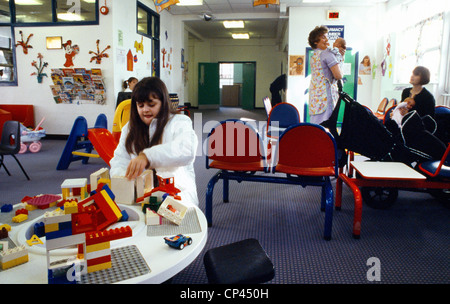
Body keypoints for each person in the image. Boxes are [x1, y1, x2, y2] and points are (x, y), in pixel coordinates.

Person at [110, 77, 199, 207]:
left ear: (163, 103)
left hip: (177, 196)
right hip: (139, 195)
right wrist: (125, 182)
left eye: (151, 105)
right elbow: (119, 161)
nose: (145, 109)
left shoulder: (179, 122)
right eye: (140, 105)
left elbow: (186, 150)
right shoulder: (130, 128)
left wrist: (147, 157)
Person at [308, 26, 344, 125]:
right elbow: (338, 75)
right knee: (327, 128)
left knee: (316, 127)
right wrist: (340, 58)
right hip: (326, 97)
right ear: (315, 41)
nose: (327, 39)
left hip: (315, 97)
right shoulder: (327, 54)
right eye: (323, 37)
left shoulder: (313, 56)